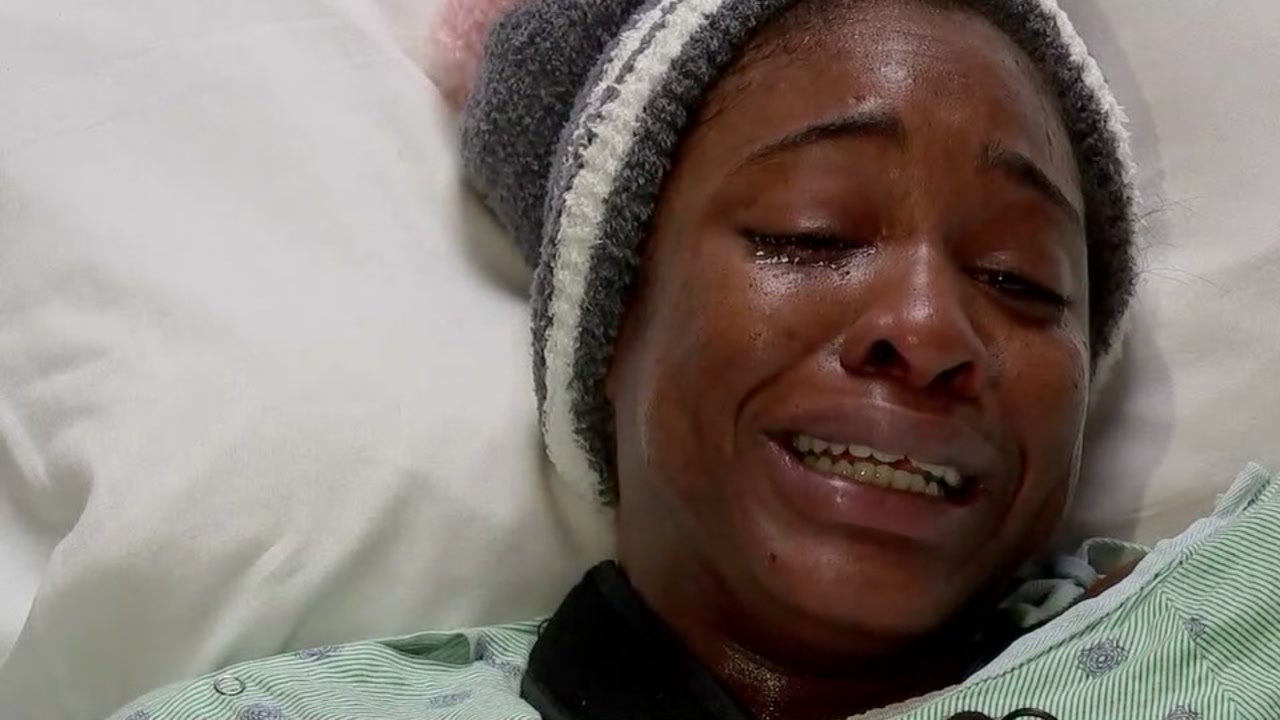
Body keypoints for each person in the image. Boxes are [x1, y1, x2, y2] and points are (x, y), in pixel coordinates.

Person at [107, 1, 1280, 719]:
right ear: (612, 322)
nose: (927, 332)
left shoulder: (1240, 615)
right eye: (808, 233)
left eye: (1021, 281)